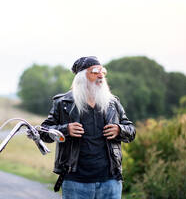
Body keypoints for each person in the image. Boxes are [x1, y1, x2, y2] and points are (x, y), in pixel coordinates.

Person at [39, 56, 136, 199]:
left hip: (110, 180)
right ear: (82, 77)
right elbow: (44, 132)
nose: (100, 74)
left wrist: (119, 129)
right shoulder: (63, 102)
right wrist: (65, 130)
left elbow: (131, 131)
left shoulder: (112, 103)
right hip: (75, 181)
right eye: (95, 71)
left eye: (102, 71)